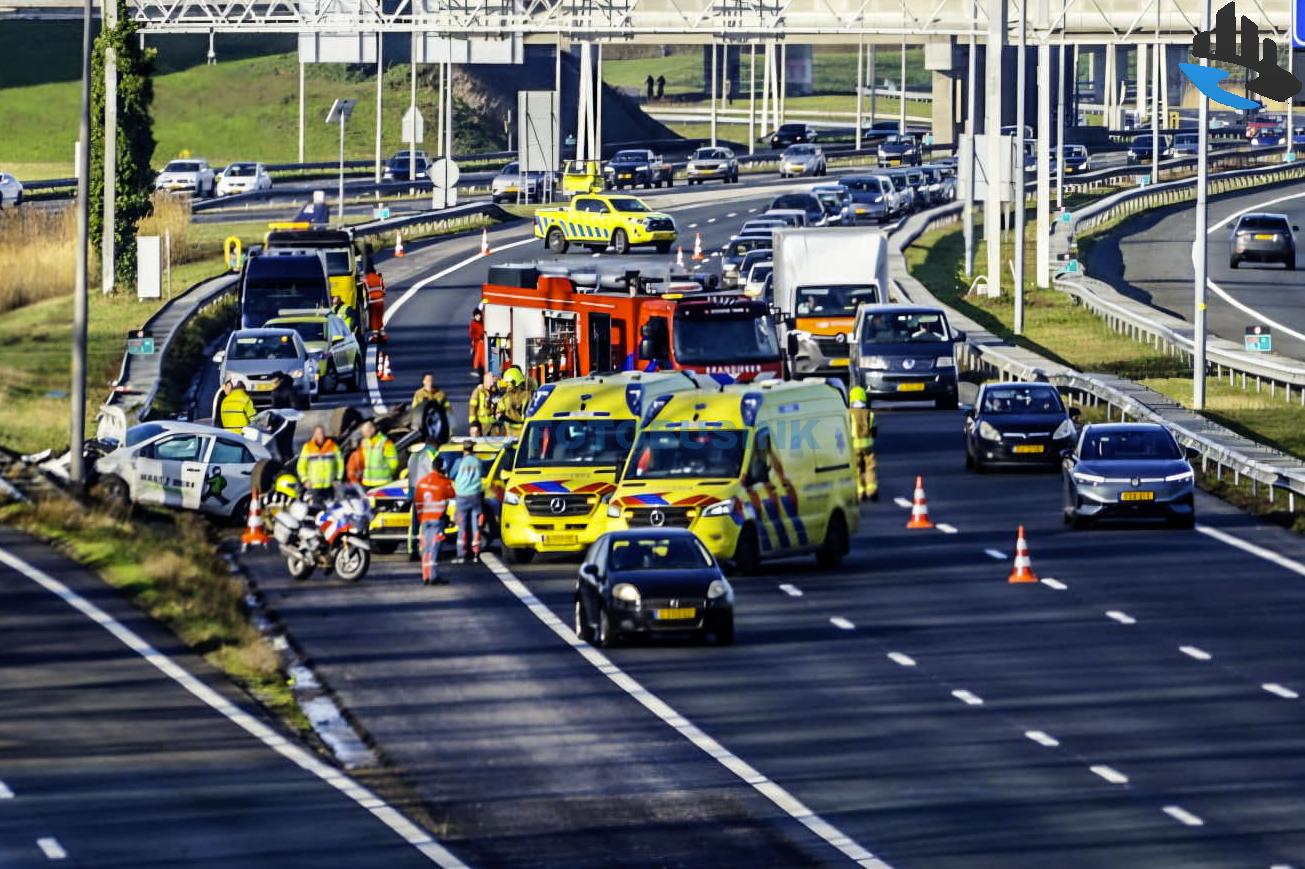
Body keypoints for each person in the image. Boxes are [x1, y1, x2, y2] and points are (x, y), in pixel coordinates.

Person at [413, 456, 456, 585]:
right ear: (442, 468)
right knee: (435, 548)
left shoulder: (421, 482)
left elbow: (417, 502)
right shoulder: (444, 482)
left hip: (425, 519)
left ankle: (425, 575)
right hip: (437, 519)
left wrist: (421, 518)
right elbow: (452, 494)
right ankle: (433, 576)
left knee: (426, 547)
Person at [449, 439, 485, 563]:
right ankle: (476, 552)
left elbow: (452, 475)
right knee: (476, 523)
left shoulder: (459, 462)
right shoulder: (478, 461)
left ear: (463, 449)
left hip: (461, 495)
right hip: (475, 494)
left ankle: (462, 553)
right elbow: (482, 474)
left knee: (462, 524)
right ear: (473, 449)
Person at [296, 425, 344, 503]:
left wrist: (338, 478)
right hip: (314, 486)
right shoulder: (308, 447)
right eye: (318, 433)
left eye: (321, 433)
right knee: (316, 507)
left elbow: (340, 464)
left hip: (329, 485)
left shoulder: (333, 446)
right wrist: (305, 480)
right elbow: (301, 466)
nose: (320, 435)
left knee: (331, 507)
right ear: (314, 435)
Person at [847, 387, 878, 502]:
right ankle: (871, 490)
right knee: (870, 468)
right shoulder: (870, 414)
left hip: (854, 446)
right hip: (868, 446)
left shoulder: (849, 414)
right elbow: (874, 431)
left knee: (857, 468)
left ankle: (860, 491)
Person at [358, 420, 399, 488]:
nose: (365, 434)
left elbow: (393, 461)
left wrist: (388, 473)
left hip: (383, 482)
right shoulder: (365, 442)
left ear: (373, 429)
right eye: (363, 432)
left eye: (367, 431)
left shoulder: (385, 442)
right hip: (367, 482)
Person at [497, 366, 530, 436]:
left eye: (507, 383)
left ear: (513, 382)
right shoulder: (505, 397)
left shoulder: (525, 396)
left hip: (520, 434)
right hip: (512, 434)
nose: (505, 386)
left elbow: (524, 418)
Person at [468, 372, 498, 436]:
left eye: (493, 382)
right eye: (490, 381)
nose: (492, 384)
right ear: (485, 381)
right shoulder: (478, 391)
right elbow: (472, 408)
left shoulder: (495, 392)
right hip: (481, 425)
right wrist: (473, 424)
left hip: (494, 425)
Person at [468, 309, 486, 378]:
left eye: (479, 315)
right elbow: (471, 334)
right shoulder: (473, 324)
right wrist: (479, 337)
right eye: (476, 316)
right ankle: (476, 370)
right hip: (476, 345)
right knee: (476, 359)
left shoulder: (483, 322)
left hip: (483, 345)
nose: (478, 317)